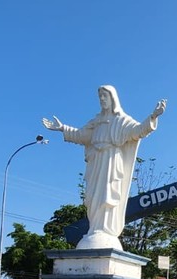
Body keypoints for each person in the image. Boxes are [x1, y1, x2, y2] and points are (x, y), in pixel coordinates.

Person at [43, 86, 166, 249]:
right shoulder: (96, 121)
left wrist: (153, 116)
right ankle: (95, 228)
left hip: (111, 161)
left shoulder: (121, 120)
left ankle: (105, 230)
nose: (102, 99)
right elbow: (81, 135)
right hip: (96, 162)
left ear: (113, 98)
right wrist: (62, 128)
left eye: (105, 96)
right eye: (100, 96)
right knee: (92, 196)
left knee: (107, 195)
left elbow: (138, 131)